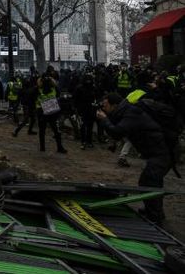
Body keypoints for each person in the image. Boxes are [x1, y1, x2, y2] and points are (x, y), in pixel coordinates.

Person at [96, 93, 171, 224]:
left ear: (114, 105)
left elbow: (117, 132)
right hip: (157, 152)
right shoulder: (125, 112)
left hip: (163, 151)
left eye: (105, 105)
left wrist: (104, 120)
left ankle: (155, 219)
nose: (103, 107)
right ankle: (154, 211)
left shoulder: (132, 112)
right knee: (150, 182)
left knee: (150, 182)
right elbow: (118, 133)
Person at [36, 73, 67, 153]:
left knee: (49, 130)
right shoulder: (52, 88)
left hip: (47, 111)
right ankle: (53, 147)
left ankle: (53, 147)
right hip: (48, 111)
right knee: (51, 130)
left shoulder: (41, 88)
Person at [73, 73, 99, 149]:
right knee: (83, 126)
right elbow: (75, 99)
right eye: (87, 79)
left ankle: (88, 141)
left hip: (90, 109)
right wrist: (75, 108)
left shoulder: (93, 88)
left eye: (89, 79)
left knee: (89, 126)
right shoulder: (80, 88)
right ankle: (84, 142)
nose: (88, 81)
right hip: (83, 109)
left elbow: (97, 97)